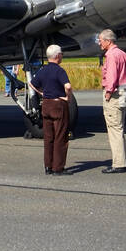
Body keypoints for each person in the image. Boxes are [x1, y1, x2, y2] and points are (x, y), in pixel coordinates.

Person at [31, 45, 73, 175]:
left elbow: (32, 83)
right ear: (57, 56)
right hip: (58, 105)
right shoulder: (59, 71)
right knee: (60, 136)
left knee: (48, 137)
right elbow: (68, 86)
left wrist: (42, 93)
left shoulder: (42, 70)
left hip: (46, 105)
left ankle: (48, 166)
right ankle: (58, 168)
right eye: (61, 54)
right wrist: (67, 97)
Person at [97, 29, 126, 173]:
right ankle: (120, 161)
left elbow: (111, 76)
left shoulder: (111, 56)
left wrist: (108, 93)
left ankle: (118, 163)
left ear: (108, 41)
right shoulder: (123, 54)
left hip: (115, 93)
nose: (99, 43)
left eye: (101, 40)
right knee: (120, 126)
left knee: (114, 128)